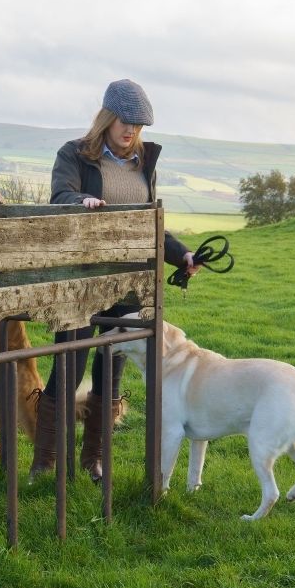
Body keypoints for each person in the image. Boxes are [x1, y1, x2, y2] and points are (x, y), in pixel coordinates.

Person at [30, 78, 198, 483]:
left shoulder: (144, 163)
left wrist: (184, 255)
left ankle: (94, 461)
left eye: (139, 126)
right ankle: (45, 462)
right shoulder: (74, 154)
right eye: (126, 122)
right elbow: (60, 197)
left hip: (127, 285)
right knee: (68, 365)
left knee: (112, 369)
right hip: (81, 283)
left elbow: (150, 224)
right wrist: (80, 202)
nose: (131, 132)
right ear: (107, 118)